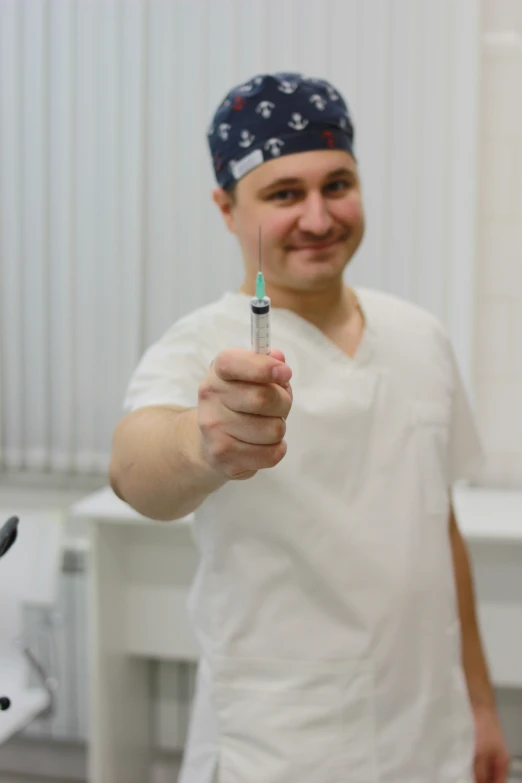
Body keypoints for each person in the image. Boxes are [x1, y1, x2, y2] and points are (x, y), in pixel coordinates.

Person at [110, 73, 510, 783]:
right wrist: (203, 444)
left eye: (338, 184)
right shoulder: (199, 345)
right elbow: (137, 470)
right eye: (285, 194)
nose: (321, 218)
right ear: (227, 208)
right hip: (282, 747)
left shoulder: (420, 335)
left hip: (431, 734)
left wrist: (479, 703)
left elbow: (437, 526)